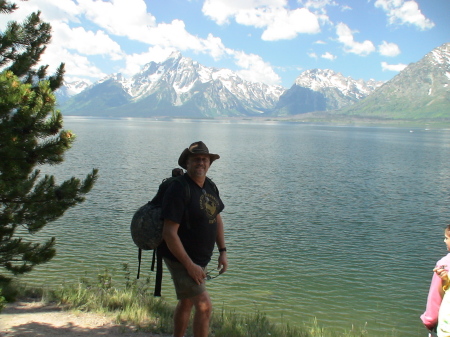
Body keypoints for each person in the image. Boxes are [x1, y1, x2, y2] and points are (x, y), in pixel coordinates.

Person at [160, 141, 228, 337]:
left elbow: (216, 219)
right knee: (204, 306)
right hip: (180, 257)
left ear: (209, 163)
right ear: (186, 163)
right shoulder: (178, 189)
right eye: (195, 159)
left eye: (204, 159)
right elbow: (169, 233)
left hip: (200, 258)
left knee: (187, 301)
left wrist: (222, 252)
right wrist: (189, 265)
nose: (201, 162)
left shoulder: (210, 185)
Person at [422, 224, 450, 336]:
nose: (444, 241)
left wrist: (429, 321)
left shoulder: (444, 265)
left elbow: (435, 297)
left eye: (447, 238)